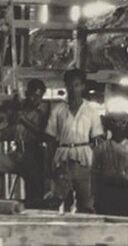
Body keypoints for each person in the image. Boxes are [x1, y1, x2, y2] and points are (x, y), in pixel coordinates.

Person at [44, 69, 105, 213]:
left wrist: (98, 166)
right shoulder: (58, 110)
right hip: (63, 156)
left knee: (86, 201)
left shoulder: (91, 110)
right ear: (66, 86)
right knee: (58, 200)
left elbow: (97, 139)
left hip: (84, 157)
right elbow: (50, 140)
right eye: (70, 85)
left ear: (82, 86)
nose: (73, 89)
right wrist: (49, 165)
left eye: (77, 85)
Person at [94, 107, 128, 218]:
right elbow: (95, 177)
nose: (119, 128)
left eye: (123, 124)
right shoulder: (101, 149)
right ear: (110, 127)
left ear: (127, 127)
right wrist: (96, 199)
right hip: (107, 194)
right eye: (115, 125)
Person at [13, 78, 53, 209]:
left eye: (38, 96)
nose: (34, 99)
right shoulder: (20, 108)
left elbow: (42, 134)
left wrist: (24, 120)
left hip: (34, 150)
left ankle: (35, 207)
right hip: (19, 150)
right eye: (32, 95)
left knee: (34, 186)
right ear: (27, 93)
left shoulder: (43, 113)